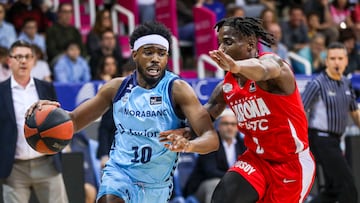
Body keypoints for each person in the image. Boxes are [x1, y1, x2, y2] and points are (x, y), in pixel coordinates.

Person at [26, 21, 219, 203]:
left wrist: (188, 145)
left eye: (161, 53)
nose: (155, 59)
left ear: (167, 57)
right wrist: (49, 112)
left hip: (156, 185)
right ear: (135, 54)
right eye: (148, 52)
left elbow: (211, 138)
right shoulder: (116, 88)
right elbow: (73, 121)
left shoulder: (177, 89)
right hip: (120, 172)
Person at [183, 16, 315, 203]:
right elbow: (207, 113)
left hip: (291, 163)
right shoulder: (226, 86)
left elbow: (263, 69)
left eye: (228, 42)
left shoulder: (275, 66)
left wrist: (236, 65)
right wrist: (186, 131)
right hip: (256, 160)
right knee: (222, 198)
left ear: (250, 44)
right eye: (220, 43)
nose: (221, 49)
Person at [0, 40, 68, 203]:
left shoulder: (46, 87)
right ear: (9, 61)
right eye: (18, 57)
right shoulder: (1, 91)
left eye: (27, 56)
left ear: (34, 60)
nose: (23, 61)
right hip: (14, 168)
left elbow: (58, 120)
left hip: (47, 164)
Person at [301, 42, 360, 203]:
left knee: (333, 190)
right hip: (320, 139)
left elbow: (354, 112)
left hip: (336, 140)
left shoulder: (347, 83)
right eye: (332, 58)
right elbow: (300, 109)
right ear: (326, 61)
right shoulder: (317, 83)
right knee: (348, 186)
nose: (336, 62)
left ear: (346, 61)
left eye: (340, 58)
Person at [184, 108, 246, 203]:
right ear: (219, 126)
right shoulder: (210, 142)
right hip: (203, 186)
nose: (230, 127)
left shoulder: (243, 144)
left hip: (232, 185)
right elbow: (210, 171)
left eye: (233, 124)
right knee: (215, 184)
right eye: (226, 124)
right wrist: (235, 179)